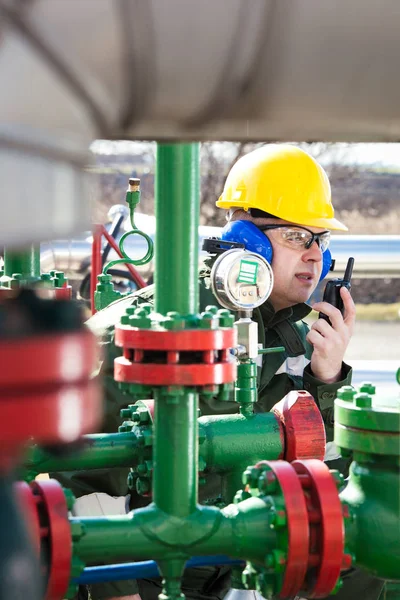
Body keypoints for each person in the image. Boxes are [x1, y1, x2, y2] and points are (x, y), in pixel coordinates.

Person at [54, 145, 383, 600]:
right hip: (145, 569)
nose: (313, 255)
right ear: (247, 239)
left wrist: (325, 380)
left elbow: (316, 468)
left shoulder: (285, 331)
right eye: (295, 236)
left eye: (319, 240)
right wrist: (120, 591)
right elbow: (76, 473)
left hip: (226, 563)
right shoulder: (159, 326)